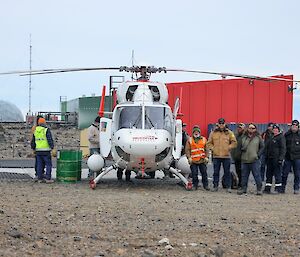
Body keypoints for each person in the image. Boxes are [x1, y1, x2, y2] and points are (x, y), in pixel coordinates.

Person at [207, 118, 237, 192]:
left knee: (227, 172)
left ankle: (228, 186)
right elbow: (209, 143)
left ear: (225, 124)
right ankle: (215, 186)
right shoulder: (213, 133)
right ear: (218, 124)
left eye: (222, 123)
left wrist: (228, 147)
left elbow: (234, 142)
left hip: (226, 156)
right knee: (216, 172)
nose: (221, 125)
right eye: (220, 123)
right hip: (216, 156)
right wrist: (213, 149)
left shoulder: (229, 133)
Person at [238, 123, 264, 195]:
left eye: (253, 128)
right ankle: (243, 189)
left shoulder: (258, 137)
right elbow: (239, 147)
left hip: (254, 160)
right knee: (244, 176)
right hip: (244, 160)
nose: (251, 129)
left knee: (257, 175)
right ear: (247, 128)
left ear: (255, 129)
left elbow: (262, 147)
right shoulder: (243, 137)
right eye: (250, 128)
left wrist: (258, 155)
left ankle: (259, 189)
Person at [185, 125, 209, 190]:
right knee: (194, 174)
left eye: (197, 131)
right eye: (195, 131)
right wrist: (189, 157)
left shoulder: (204, 139)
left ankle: (206, 185)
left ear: (199, 132)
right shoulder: (189, 140)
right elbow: (187, 149)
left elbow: (207, 149)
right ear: (193, 132)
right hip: (193, 160)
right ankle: (195, 185)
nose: (196, 133)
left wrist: (207, 157)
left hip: (202, 160)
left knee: (204, 173)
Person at [264, 124, 286, 194]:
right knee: (268, 174)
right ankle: (267, 188)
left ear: (278, 130)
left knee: (277, 174)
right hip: (270, 159)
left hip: (276, 159)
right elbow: (266, 147)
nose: (275, 131)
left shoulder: (281, 137)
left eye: (276, 130)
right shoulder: (271, 137)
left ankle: (278, 189)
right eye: (274, 130)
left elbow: (283, 148)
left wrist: (281, 158)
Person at [31, 118, 54, 183]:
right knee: (48, 165)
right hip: (46, 151)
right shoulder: (46, 130)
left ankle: (39, 178)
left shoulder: (35, 131)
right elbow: (49, 139)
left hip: (38, 151)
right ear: (44, 123)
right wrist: (52, 147)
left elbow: (33, 141)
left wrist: (33, 148)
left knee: (39, 165)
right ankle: (48, 178)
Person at [282, 120, 300, 194]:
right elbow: (283, 146)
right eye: (293, 125)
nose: (294, 127)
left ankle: (296, 188)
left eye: (296, 125)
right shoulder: (287, 134)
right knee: (284, 174)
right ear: (291, 126)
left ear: (298, 126)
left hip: (297, 158)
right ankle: (282, 188)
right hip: (288, 157)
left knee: (297, 174)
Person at [231, 123, 246, 189]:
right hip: (236, 157)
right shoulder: (235, 135)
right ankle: (240, 184)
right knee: (238, 172)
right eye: (238, 127)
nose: (239, 129)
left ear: (243, 128)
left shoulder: (245, 136)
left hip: (242, 157)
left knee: (242, 172)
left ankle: (242, 185)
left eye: (240, 128)